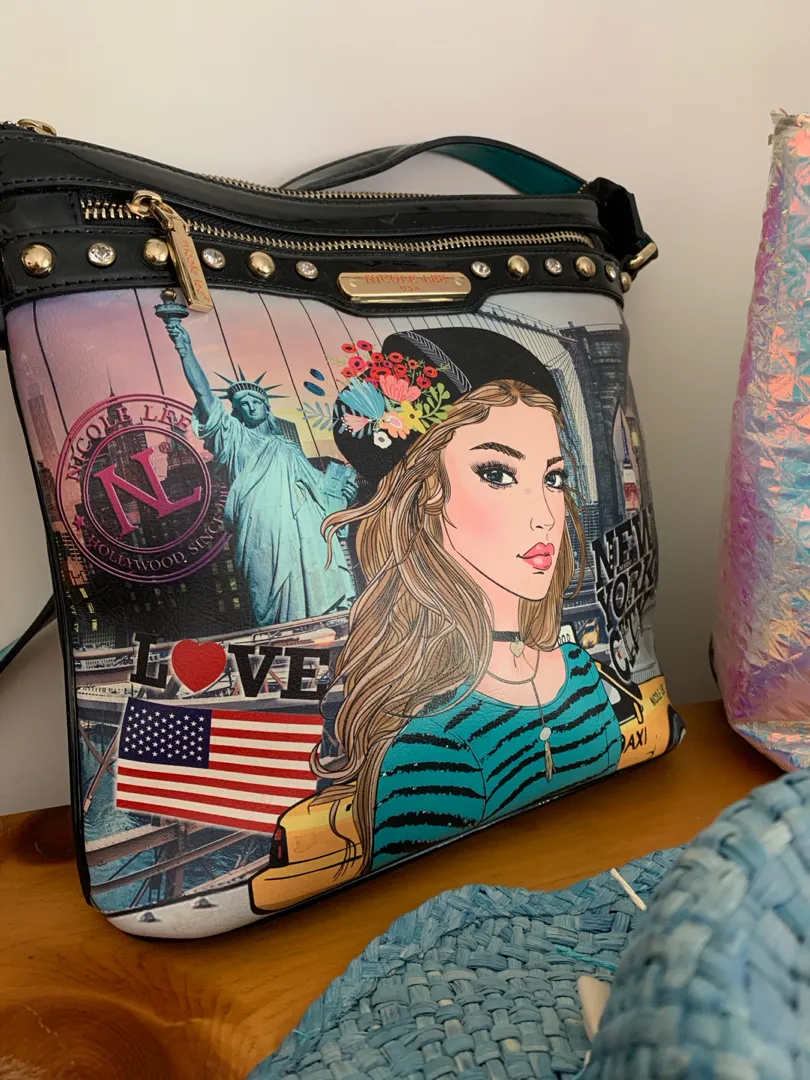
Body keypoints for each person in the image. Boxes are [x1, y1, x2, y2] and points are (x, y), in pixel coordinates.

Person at [312, 328, 623, 873]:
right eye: (498, 474)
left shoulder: (576, 667)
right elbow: (422, 904)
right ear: (426, 495)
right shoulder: (429, 745)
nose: (543, 515)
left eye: (553, 478)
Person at [163, 319, 357, 628]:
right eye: (243, 405)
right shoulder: (233, 438)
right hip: (260, 527)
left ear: (267, 408)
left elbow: (321, 489)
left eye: (256, 402)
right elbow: (204, 395)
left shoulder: (288, 447)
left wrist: (343, 491)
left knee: (315, 588)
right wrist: (184, 349)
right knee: (269, 596)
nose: (251, 407)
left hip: (303, 527)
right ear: (236, 412)